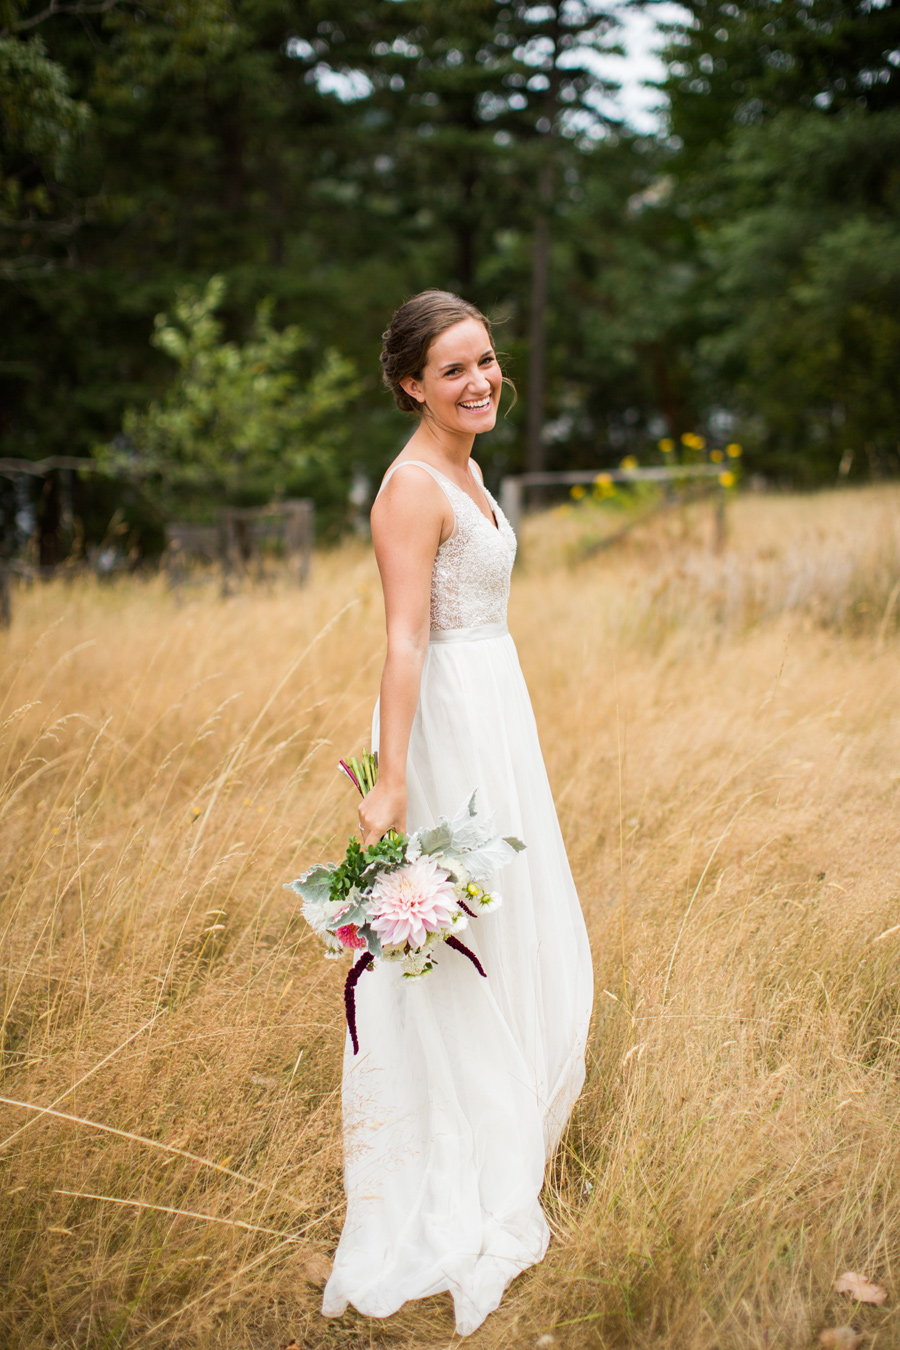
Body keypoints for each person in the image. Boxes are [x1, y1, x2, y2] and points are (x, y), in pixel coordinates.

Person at [321, 290, 593, 1337]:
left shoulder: (470, 467)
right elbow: (402, 640)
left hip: (495, 706)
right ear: (409, 386)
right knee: (459, 928)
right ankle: (461, 1140)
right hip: (441, 717)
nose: (480, 382)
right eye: (453, 372)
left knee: (513, 908)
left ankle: (515, 1109)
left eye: (485, 362)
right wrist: (391, 779)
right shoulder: (409, 487)